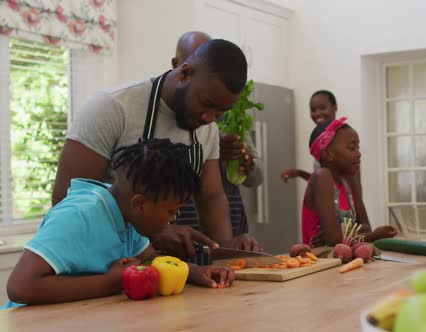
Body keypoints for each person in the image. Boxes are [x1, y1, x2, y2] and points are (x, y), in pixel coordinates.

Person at [51, 38, 259, 261]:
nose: (209, 119)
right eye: (206, 104)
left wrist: (225, 251)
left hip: (165, 272)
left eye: (220, 113)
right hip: (100, 265)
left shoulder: (207, 129)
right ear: (184, 73)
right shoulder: (113, 108)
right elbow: (67, 198)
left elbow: (211, 196)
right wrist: (153, 231)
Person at [5, 139, 234, 308]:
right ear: (140, 204)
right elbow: (20, 287)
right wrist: (111, 282)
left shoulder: (126, 214)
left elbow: (149, 259)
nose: (173, 219)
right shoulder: (78, 216)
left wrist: (193, 271)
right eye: (171, 211)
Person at [172, 31, 263, 241]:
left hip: (227, 223)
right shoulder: (170, 111)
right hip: (181, 228)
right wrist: (211, 153)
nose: (208, 118)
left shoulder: (228, 114)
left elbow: (255, 178)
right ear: (179, 66)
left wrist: (246, 162)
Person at [302, 117, 397, 246]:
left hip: (341, 260)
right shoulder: (322, 177)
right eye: (352, 148)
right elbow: (334, 240)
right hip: (319, 263)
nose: (359, 154)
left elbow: (365, 226)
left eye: (358, 147)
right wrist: (373, 236)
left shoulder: (349, 179)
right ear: (328, 154)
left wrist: (340, 232)